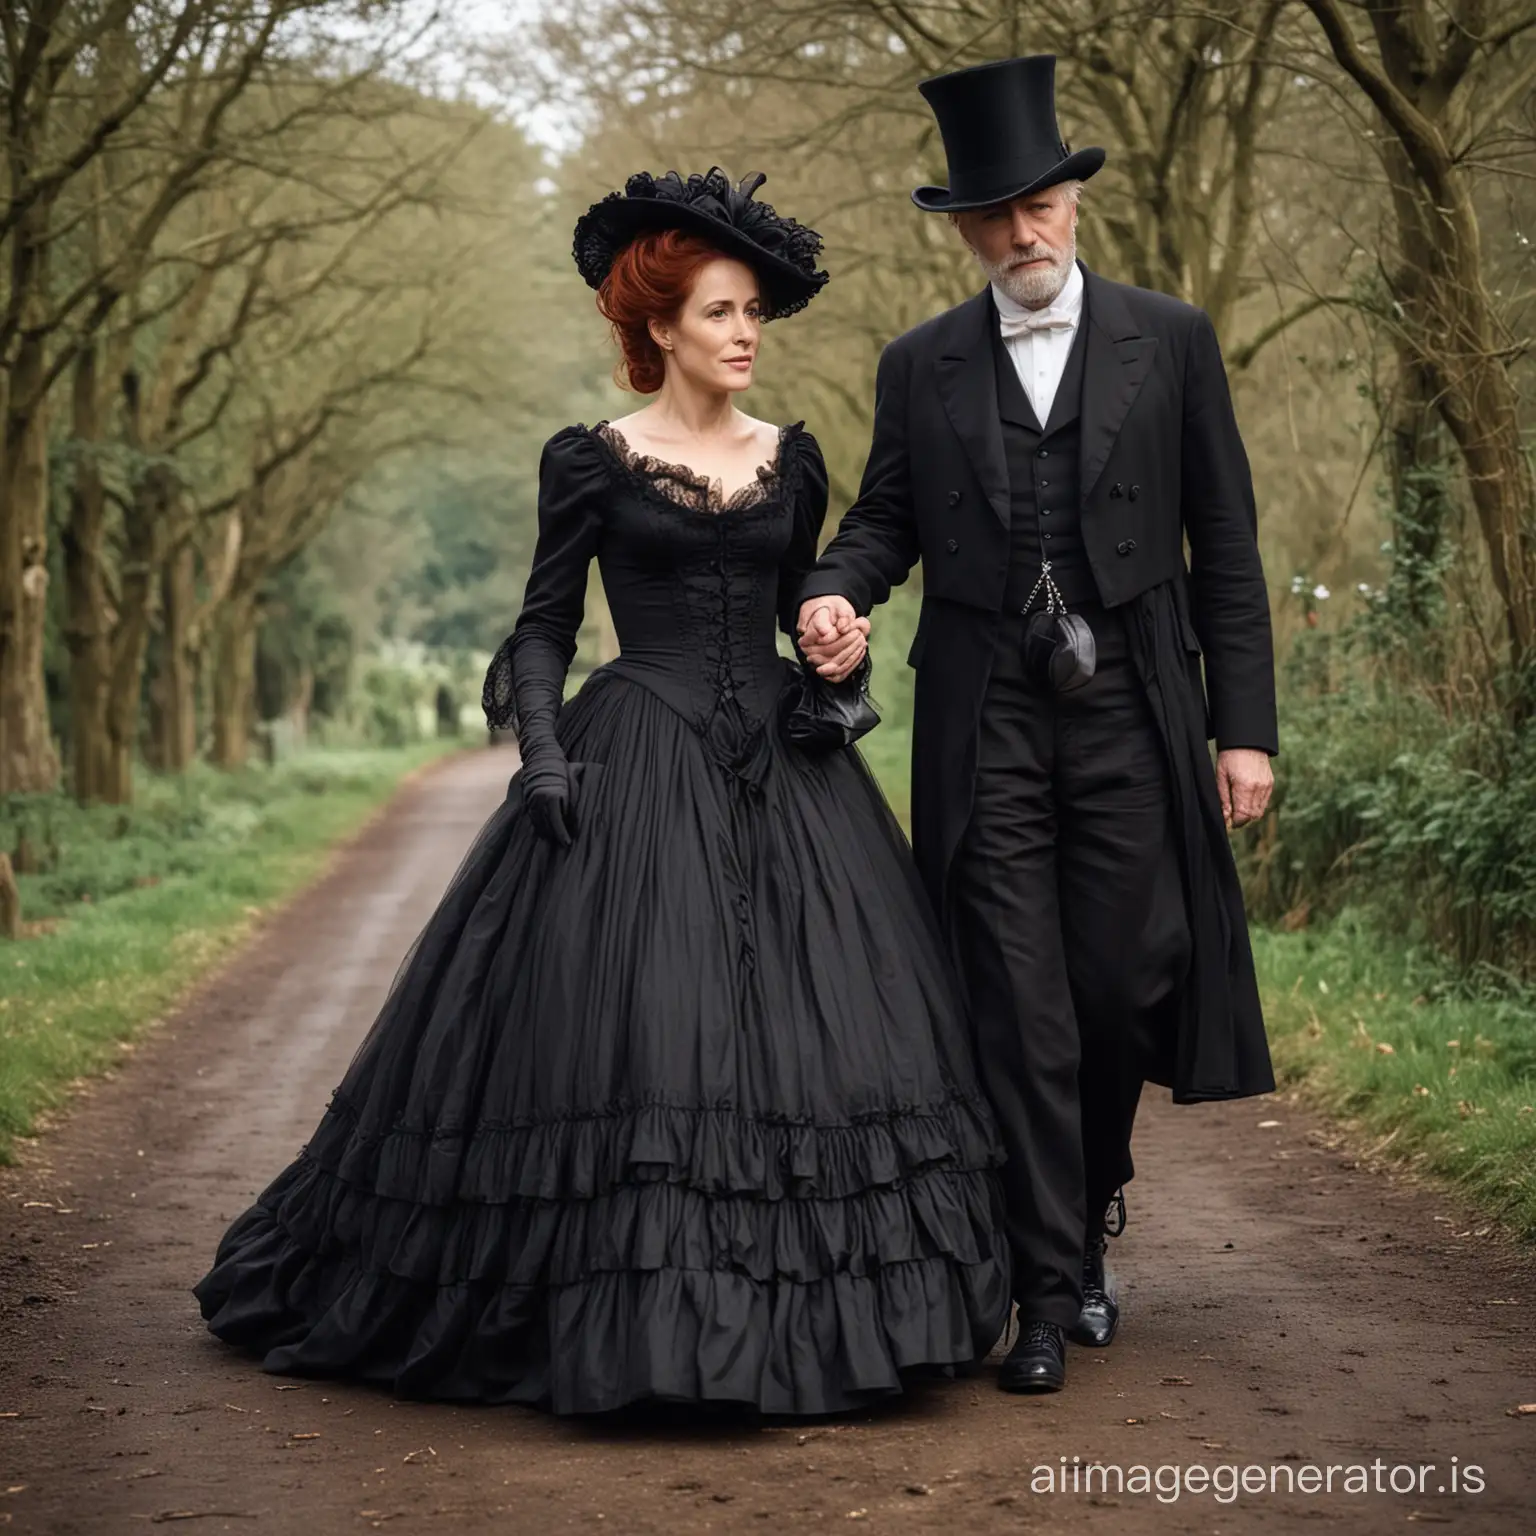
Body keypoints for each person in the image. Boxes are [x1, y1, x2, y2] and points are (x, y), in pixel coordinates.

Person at [194, 168, 1012, 1417]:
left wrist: (831, 641)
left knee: (822, 1046)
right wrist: (543, 755)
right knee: (650, 1032)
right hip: (634, 757)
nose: (747, 334)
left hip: (788, 773)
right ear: (662, 328)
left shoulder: (792, 459)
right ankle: (643, 1320)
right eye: (724, 312)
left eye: (754, 314)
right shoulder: (593, 461)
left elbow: (805, 605)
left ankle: (823, 1324)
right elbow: (540, 631)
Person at [798, 57, 1278, 1395]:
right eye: (995, 214)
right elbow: (887, 516)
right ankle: (1049, 1289)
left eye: (1040, 205)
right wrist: (837, 591)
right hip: (988, 706)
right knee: (1015, 996)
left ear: (1073, 202)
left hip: (1132, 692)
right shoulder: (921, 364)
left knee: (1124, 980)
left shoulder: (1170, 338)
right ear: (963, 227)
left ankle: (1090, 1190)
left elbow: (1226, 544)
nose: (1022, 231)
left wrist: (1246, 728)